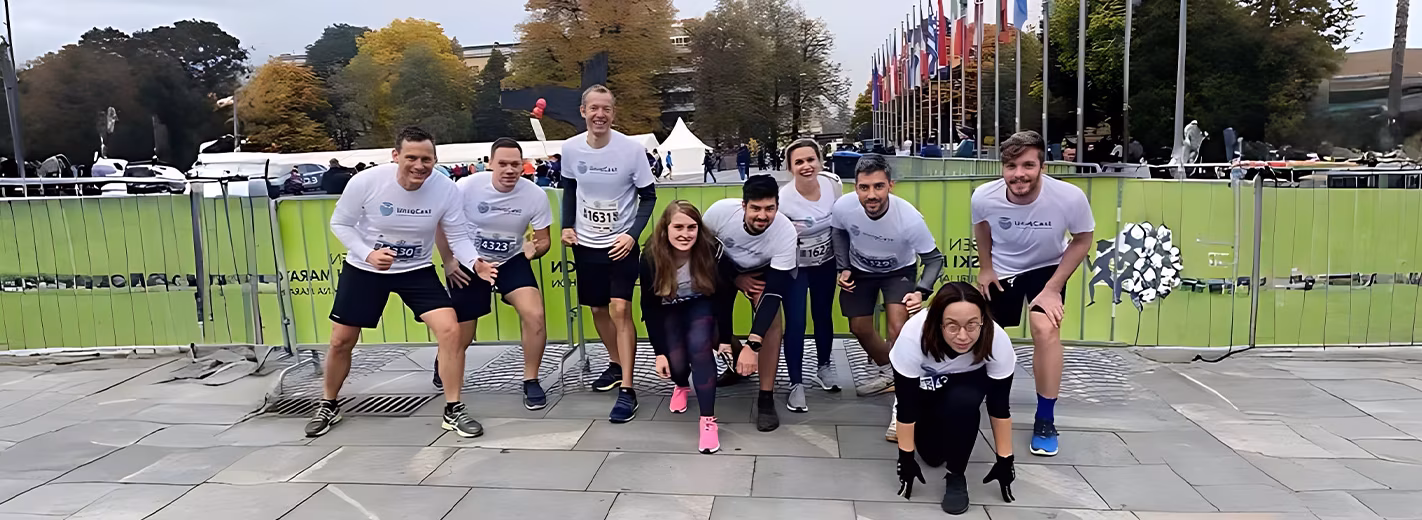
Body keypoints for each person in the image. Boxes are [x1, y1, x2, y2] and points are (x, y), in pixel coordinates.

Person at [308, 126, 492, 439]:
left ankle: (453, 408)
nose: (419, 165)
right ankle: (328, 403)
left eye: (427, 159)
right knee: (341, 340)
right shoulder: (367, 182)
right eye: (412, 158)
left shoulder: (445, 188)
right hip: (365, 269)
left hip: (416, 269)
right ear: (396, 156)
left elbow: (458, 235)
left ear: (435, 160)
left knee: (450, 329)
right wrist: (368, 254)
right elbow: (340, 223)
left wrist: (474, 261)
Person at [971, 130, 1094, 457]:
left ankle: (1045, 419)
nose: (1018, 174)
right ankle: (971, 400)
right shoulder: (984, 196)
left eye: (1028, 165)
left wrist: (1053, 287)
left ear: (1043, 165)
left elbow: (1082, 239)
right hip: (1003, 268)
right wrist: (985, 267)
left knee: (1045, 329)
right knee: (981, 334)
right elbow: (981, 227)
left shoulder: (1069, 197)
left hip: (1047, 269)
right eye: (1010, 166)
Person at [561, 84, 658, 423]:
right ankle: (616, 363)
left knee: (620, 308)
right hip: (587, 243)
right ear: (583, 112)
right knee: (598, 309)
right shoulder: (570, 148)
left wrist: (632, 236)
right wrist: (566, 225)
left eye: (606, 109)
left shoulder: (631, 150)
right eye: (594, 108)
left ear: (613, 114)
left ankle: (628, 389)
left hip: (621, 245)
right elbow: (570, 188)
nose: (600, 114)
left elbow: (649, 197)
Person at [832, 153, 945, 442]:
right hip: (860, 270)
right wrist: (842, 267)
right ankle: (894, 372)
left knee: (898, 327)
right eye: (864, 187)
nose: (872, 195)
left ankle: (903, 407)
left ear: (891, 185)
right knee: (858, 327)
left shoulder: (909, 218)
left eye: (878, 187)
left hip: (898, 272)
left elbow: (934, 260)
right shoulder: (844, 206)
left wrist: (921, 291)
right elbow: (839, 232)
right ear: (855, 187)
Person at [435, 137, 553, 410]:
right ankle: (444, 362)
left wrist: (534, 250)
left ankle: (531, 380)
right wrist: (450, 261)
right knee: (463, 332)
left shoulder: (534, 194)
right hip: (469, 259)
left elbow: (544, 240)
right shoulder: (465, 186)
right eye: (503, 164)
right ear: (490, 164)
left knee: (535, 314)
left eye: (515, 164)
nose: (510, 170)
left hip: (511, 259)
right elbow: (441, 225)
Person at [891, 282, 1017, 514]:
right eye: (952, 326)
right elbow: (906, 407)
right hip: (926, 392)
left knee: (964, 402)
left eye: (971, 325)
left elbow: (999, 408)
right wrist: (905, 458)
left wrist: (1005, 460)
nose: (963, 336)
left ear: (982, 320)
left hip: (967, 384)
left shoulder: (996, 339)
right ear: (938, 323)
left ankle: (957, 476)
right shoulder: (913, 335)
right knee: (932, 456)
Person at [704, 175, 798, 432]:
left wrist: (753, 344)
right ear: (743, 206)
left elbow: (774, 292)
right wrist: (736, 278)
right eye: (755, 208)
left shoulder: (785, 231)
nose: (762, 215)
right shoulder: (720, 213)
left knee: (771, 322)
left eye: (770, 208)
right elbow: (705, 256)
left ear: (777, 207)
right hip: (726, 270)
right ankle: (737, 365)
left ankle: (765, 397)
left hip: (765, 273)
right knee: (708, 325)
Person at [641, 201, 726, 453]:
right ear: (665, 229)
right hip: (668, 309)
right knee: (676, 363)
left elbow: (723, 296)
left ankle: (708, 421)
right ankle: (681, 384)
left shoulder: (710, 250)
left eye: (692, 227)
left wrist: (724, 336)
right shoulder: (650, 256)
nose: (685, 234)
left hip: (700, 304)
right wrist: (658, 352)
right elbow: (649, 306)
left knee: (699, 348)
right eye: (678, 226)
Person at [777, 139, 842, 410]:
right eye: (799, 162)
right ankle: (795, 383)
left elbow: (840, 224)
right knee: (795, 322)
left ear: (820, 161)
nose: (806, 166)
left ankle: (824, 366)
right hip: (795, 266)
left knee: (823, 315)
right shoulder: (784, 198)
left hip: (825, 263)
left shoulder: (833, 184)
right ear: (790, 168)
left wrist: (844, 263)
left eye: (810, 160)